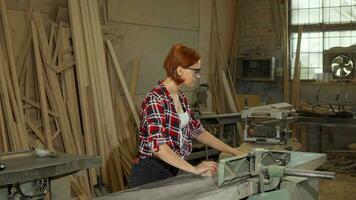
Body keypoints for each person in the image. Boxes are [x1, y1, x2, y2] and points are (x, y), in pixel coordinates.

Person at [128, 44, 244, 188]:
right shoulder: (155, 99)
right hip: (150, 172)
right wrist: (194, 169)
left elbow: (197, 131)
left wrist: (232, 150)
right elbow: (159, 147)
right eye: (195, 71)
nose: (198, 76)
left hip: (172, 168)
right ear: (179, 70)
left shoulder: (181, 97)